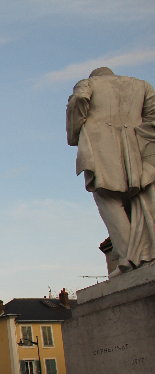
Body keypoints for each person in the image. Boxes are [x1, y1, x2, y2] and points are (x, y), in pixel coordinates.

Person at [67, 67, 155, 276]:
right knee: (137, 200)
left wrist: (76, 129)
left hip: (101, 143)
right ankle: (144, 252)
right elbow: (152, 119)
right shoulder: (142, 86)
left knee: (108, 198)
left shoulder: (88, 84)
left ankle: (127, 257)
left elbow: (79, 100)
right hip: (136, 144)